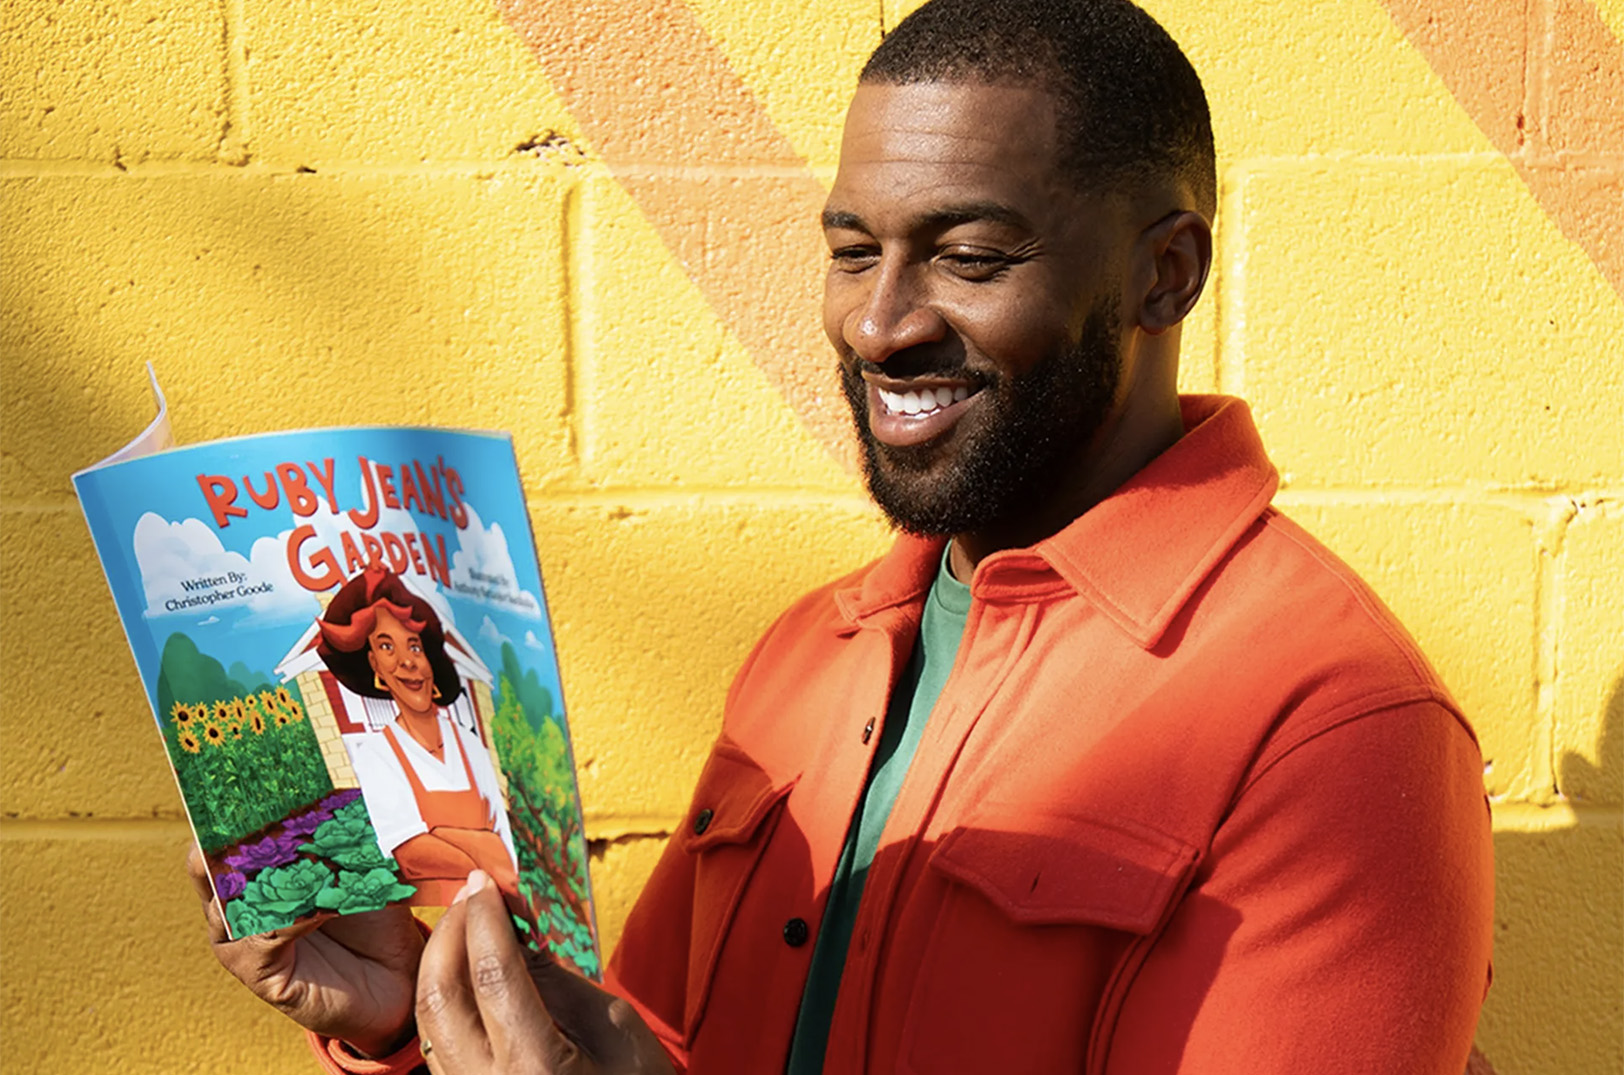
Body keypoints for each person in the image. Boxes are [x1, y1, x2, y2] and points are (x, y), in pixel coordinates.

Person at [188, 1, 1494, 1072]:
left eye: (969, 255)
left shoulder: (1332, 727)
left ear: (1167, 272)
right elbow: (644, 1045)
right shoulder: (810, 653)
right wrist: (406, 1017)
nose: (878, 324)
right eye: (854, 249)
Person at [315, 561, 520, 908]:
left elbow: (506, 841)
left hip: (499, 911)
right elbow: (410, 854)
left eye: (414, 647)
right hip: (433, 919)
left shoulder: (469, 745)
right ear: (374, 666)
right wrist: (486, 852)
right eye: (386, 647)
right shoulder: (377, 754)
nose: (407, 661)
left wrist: (441, 836)